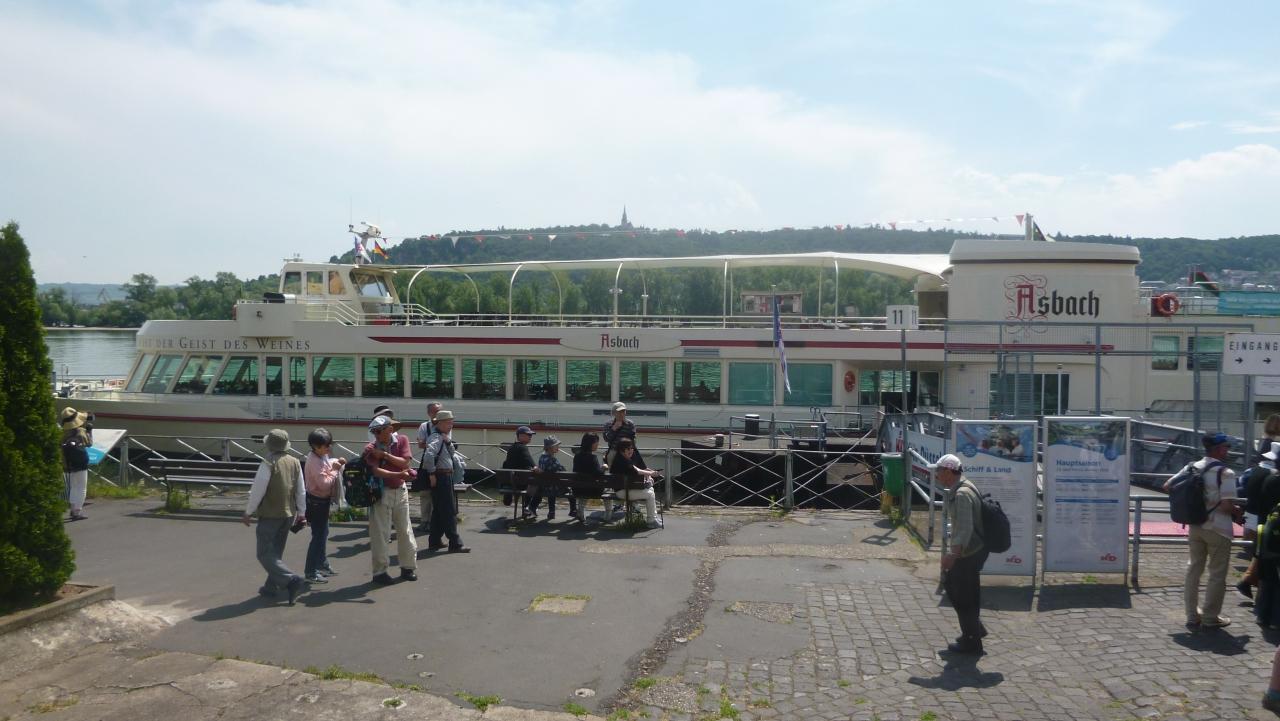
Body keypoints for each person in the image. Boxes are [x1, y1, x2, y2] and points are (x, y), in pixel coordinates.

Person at [1168, 432, 1239, 630]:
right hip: (1218, 529)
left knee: (1193, 570)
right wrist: (1237, 511)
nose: (1227, 451)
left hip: (1195, 526)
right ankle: (1210, 618)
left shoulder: (1191, 467)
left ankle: (1192, 616)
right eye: (1226, 447)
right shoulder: (1226, 473)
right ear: (1219, 449)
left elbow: (1168, 485)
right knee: (1216, 574)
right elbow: (1226, 506)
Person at [241, 429, 307, 605]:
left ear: (269, 445)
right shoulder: (294, 462)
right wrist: (302, 513)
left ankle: (290, 579)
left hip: (270, 513)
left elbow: (258, 490)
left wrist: (248, 511)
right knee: (276, 552)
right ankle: (271, 587)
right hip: (288, 513)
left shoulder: (268, 462)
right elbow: (301, 490)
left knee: (264, 552)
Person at [935, 453, 989, 654]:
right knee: (964, 592)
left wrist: (952, 555)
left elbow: (964, 529)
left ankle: (972, 642)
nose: (937, 475)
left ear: (949, 472)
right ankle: (975, 630)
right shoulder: (966, 485)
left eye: (939, 471)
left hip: (969, 553)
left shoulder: (962, 495)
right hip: (975, 550)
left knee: (961, 594)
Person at [365, 415, 419, 584]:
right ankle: (380, 572)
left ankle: (408, 567)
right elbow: (375, 471)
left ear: (389, 429)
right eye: (374, 431)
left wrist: (384, 456)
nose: (375, 434)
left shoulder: (401, 440)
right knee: (380, 534)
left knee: (405, 530)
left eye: (378, 431)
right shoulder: (370, 448)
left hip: (399, 490)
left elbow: (405, 462)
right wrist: (399, 474)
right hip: (380, 493)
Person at [423, 410, 469, 553]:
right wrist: (432, 473)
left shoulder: (440, 437)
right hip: (441, 476)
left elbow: (451, 453)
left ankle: (435, 540)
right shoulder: (437, 437)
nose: (451, 425)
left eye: (451, 423)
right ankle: (455, 543)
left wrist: (448, 442)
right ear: (440, 423)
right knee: (448, 510)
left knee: (439, 510)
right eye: (449, 423)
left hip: (443, 475)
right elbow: (429, 456)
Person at [302, 428, 345, 583]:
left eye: (330, 444)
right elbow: (324, 484)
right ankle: (310, 572)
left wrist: (335, 462)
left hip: (321, 501)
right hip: (316, 502)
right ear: (315, 446)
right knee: (318, 537)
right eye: (326, 445)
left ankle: (322, 565)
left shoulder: (320, 455)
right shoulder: (314, 460)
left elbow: (326, 466)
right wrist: (335, 470)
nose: (329, 447)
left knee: (322, 534)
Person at [1251, 443, 1280, 627]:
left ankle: (1263, 615)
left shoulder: (1268, 479)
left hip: (1265, 534)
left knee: (1267, 576)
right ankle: (1276, 618)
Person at [610, 439, 662, 529]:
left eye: (632, 448)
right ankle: (651, 521)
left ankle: (654, 517)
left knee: (650, 489)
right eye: (628, 449)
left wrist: (650, 473)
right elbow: (637, 471)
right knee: (650, 494)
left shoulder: (621, 458)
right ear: (622, 450)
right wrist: (651, 473)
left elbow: (637, 469)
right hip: (623, 491)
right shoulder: (623, 461)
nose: (631, 450)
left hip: (624, 489)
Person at [528, 436, 578, 520]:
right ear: (550, 447)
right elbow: (562, 470)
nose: (558, 447)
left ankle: (551, 512)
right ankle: (573, 510)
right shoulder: (552, 460)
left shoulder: (541, 458)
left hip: (544, 487)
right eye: (556, 446)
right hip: (555, 488)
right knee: (570, 490)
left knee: (551, 486)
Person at [58, 407, 93, 521]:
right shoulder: (80, 432)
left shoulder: (62, 434)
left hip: (68, 464)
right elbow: (89, 443)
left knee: (74, 487)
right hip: (80, 463)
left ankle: (73, 509)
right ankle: (77, 512)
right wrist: (89, 430)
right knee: (81, 488)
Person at [414, 402, 443, 532]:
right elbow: (420, 445)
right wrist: (432, 444)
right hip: (427, 461)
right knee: (425, 492)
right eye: (435, 411)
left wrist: (427, 443)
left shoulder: (444, 424)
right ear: (429, 413)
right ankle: (424, 520)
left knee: (437, 493)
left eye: (440, 411)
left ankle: (434, 521)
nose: (438, 413)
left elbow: (445, 442)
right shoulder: (424, 426)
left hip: (441, 462)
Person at [501, 425, 536, 508]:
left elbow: (507, 464)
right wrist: (535, 467)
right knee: (536, 483)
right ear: (520, 436)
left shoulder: (511, 448)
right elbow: (530, 461)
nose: (530, 437)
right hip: (521, 483)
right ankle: (527, 507)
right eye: (529, 435)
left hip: (510, 481)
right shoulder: (523, 448)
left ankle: (508, 496)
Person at [603, 401, 644, 469]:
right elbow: (606, 439)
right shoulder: (608, 424)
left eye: (623, 411)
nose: (622, 414)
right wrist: (613, 429)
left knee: (630, 472)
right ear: (614, 413)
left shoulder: (630, 424)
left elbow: (633, 439)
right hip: (614, 451)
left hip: (627, 452)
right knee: (614, 472)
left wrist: (630, 451)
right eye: (619, 411)